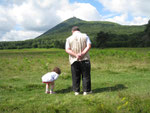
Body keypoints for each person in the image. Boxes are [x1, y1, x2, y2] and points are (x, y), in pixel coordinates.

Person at [65, 26, 92, 95]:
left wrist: (75, 55)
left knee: (75, 76)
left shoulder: (68, 39)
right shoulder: (85, 36)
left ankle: (76, 91)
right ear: (79, 30)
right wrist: (82, 54)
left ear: (72, 31)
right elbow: (89, 46)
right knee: (86, 75)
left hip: (74, 60)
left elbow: (67, 49)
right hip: (85, 59)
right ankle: (86, 91)